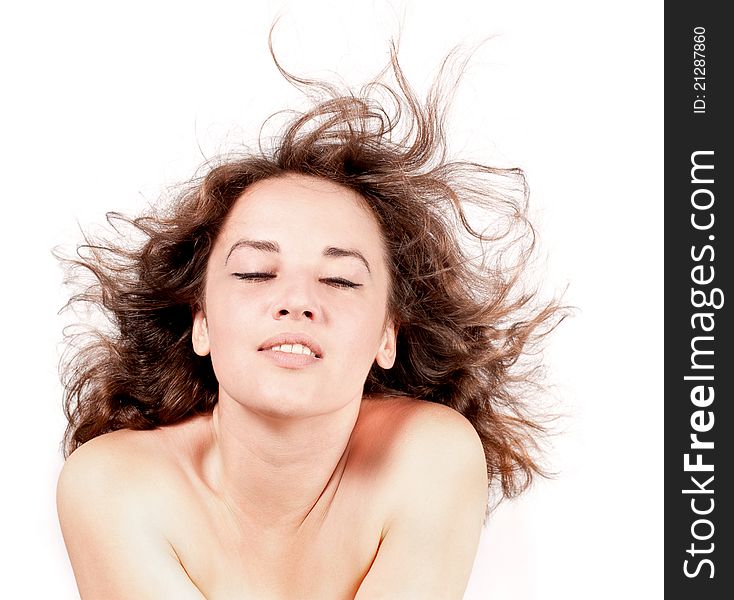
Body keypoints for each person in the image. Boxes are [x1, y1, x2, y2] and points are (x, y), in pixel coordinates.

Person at [56, 41, 562, 599]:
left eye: (340, 280)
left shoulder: (430, 456)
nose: (296, 302)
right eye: (253, 273)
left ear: (387, 335)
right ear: (199, 321)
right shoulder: (112, 485)